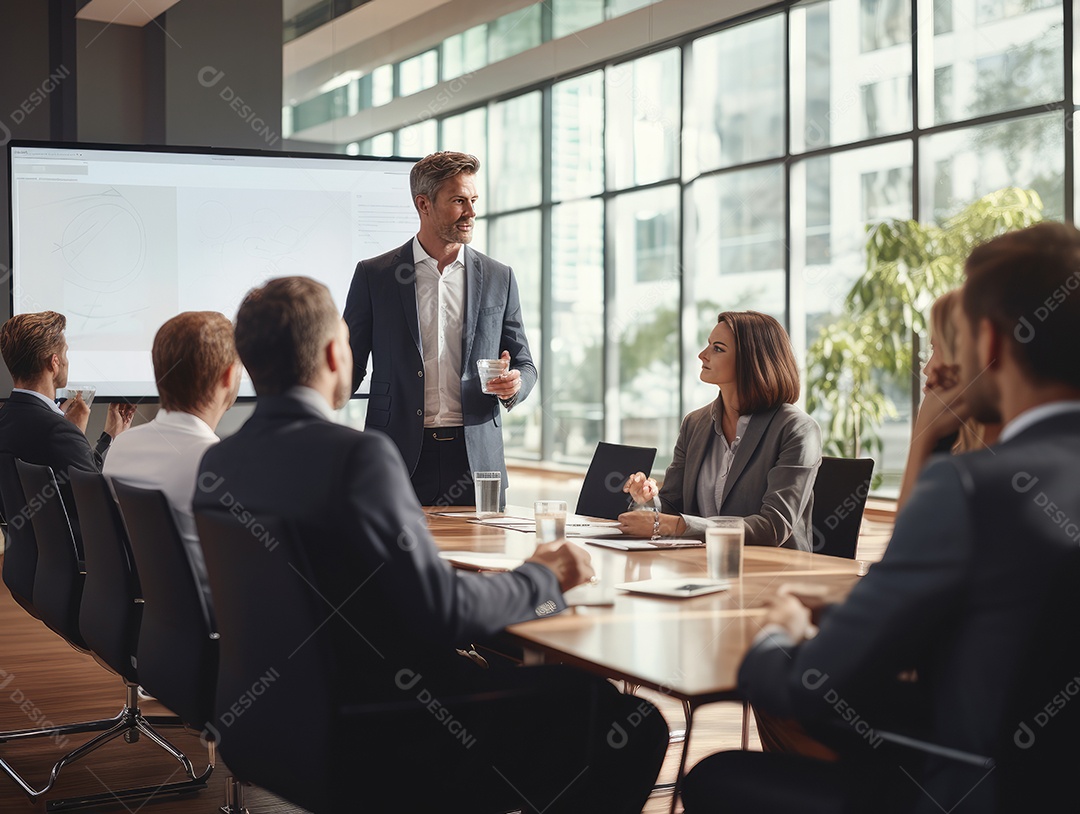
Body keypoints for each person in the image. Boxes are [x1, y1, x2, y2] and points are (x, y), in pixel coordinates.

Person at [194, 276, 667, 812]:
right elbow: (441, 612)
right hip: (380, 738)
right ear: (333, 353)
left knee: (519, 677)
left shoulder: (220, 464)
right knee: (629, 722)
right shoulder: (356, 458)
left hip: (264, 728)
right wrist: (543, 577)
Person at [681, 221, 1080, 813]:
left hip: (964, 787)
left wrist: (777, 630)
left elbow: (808, 687)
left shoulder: (972, 488)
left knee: (714, 778)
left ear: (991, 342)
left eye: (958, 339)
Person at [343, 151, 536, 508]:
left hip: (477, 461)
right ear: (424, 204)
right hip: (396, 456)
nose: (471, 212)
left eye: (474, 200)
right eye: (459, 201)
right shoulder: (375, 276)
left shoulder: (499, 277)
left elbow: (524, 362)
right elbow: (348, 365)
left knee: (483, 559)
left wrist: (516, 383)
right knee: (394, 562)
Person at [618, 310, 821, 550]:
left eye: (718, 348)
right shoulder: (694, 423)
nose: (702, 355)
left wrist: (675, 526)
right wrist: (650, 501)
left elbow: (773, 527)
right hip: (699, 566)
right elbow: (674, 505)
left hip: (770, 573)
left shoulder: (796, 429)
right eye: (708, 345)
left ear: (751, 362)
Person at [104, 312, 241, 610]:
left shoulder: (120, 448)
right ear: (229, 376)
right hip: (221, 631)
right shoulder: (218, 467)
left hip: (156, 624)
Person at [0, 311, 135, 545]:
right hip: (80, 557)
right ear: (54, 362)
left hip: (32, 560)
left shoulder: (7, 419)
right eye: (65, 354)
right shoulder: (56, 431)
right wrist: (72, 433)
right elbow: (100, 505)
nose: (67, 361)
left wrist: (108, 436)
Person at [896, 289, 1001, 510]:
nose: (927, 369)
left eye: (936, 348)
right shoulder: (961, 451)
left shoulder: (976, 473)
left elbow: (908, 543)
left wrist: (925, 432)